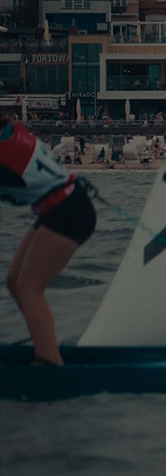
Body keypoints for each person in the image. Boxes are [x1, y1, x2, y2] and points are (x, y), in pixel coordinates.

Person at [1, 113, 98, 367]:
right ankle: (43, 344)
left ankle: (48, 361)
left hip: (69, 211)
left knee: (29, 288)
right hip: (61, 206)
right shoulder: (12, 130)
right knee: (14, 281)